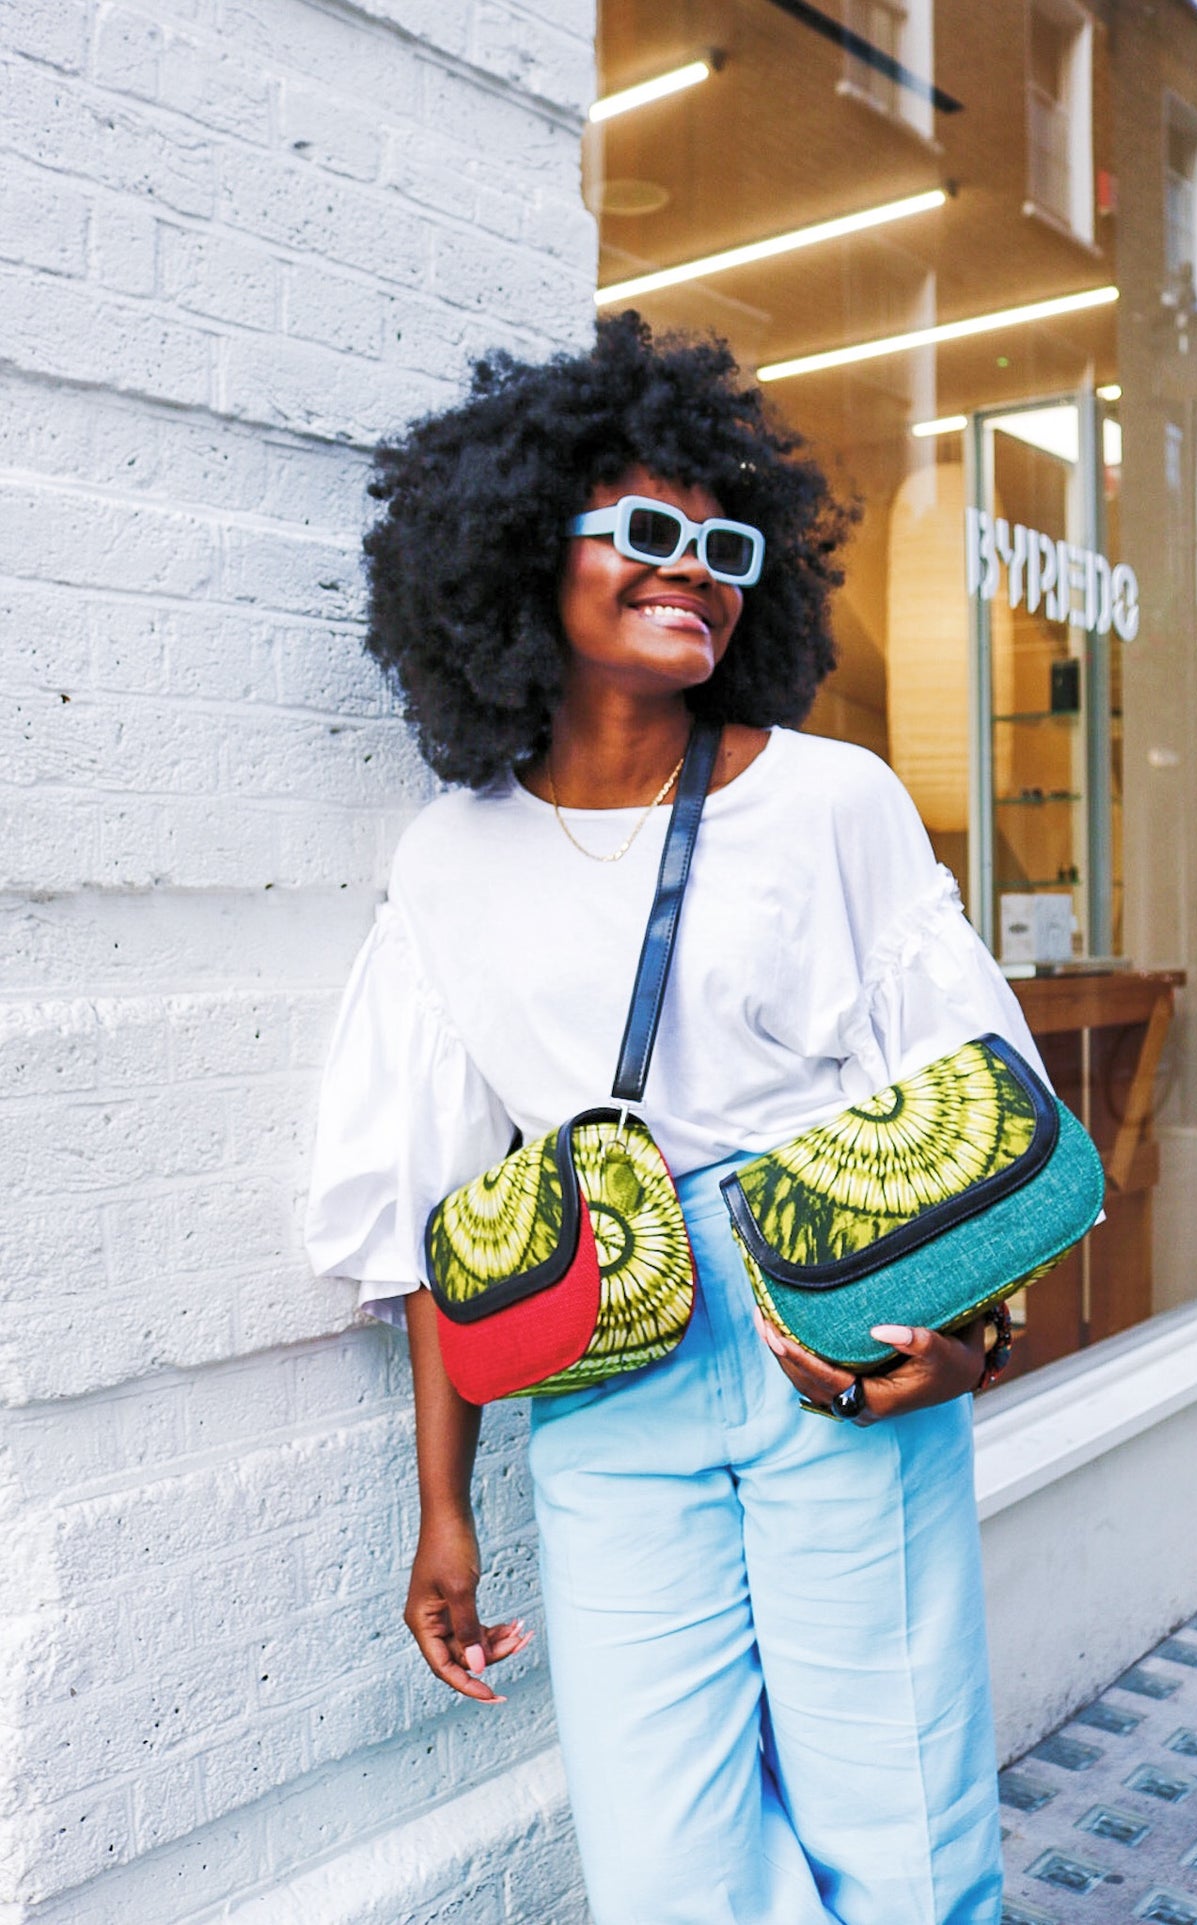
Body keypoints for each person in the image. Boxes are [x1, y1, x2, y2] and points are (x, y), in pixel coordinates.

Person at [305, 311, 1045, 1925]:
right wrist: (444, 1510)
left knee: (904, 1840)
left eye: (723, 547)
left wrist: (972, 1343)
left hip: (824, 1328)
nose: (692, 571)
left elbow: (973, 1112)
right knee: (665, 1869)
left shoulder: (827, 800)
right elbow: (436, 1214)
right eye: (645, 533)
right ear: (523, 556)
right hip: (603, 1377)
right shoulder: (448, 859)